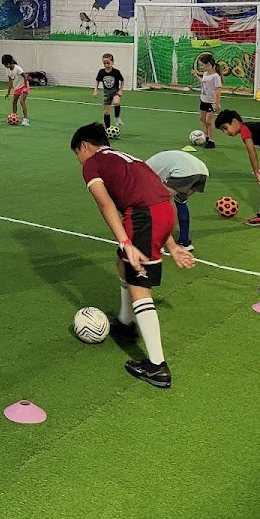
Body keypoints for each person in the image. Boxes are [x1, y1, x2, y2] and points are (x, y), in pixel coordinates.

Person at [71, 123, 194, 389]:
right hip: (161, 212)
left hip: (143, 216)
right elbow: (154, 196)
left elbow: (105, 204)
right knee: (122, 261)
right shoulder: (126, 158)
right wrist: (171, 245)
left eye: (77, 154)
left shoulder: (92, 163)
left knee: (140, 285)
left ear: (84, 146)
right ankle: (126, 323)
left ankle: (157, 367)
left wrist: (126, 241)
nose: (79, 160)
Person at [145, 150, 210, 251]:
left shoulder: (142, 173)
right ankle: (185, 242)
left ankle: (158, 242)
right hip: (202, 171)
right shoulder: (148, 165)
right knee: (180, 200)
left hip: (184, 171)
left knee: (159, 202)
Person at [193, 54, 222, 148]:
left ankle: (211, 140)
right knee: (202, 119)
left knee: (209, 121)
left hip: (211, 101)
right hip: (203, 100)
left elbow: (218, 90)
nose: (201, 67)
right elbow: (203, 83)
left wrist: (217, 103)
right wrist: (196, 76)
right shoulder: (205, 74)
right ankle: (206, 136)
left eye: (202, 65)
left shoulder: (216, 76)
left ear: (209, 64)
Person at [93, 53, 124, 133]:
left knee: (116, 102)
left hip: (115, 91)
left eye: (108, 63)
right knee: (107, 111)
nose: (106, 65)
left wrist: (120, 90)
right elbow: (97, 81)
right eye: (104, 63)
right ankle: (107, 129)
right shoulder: (101, 72)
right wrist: (95, 90)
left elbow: (122, 81)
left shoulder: (116, 72)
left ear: (112, 62)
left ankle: (117, 117)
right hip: (106, 93)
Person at [1, 54, 30, 126]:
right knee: (14, 102)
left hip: (23, 86)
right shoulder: (7, 70)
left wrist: (26, 87)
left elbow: (25, 77)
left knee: (22, 101)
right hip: (17, 87)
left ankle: (25, 119)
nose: (5, 66)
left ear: (9, 63)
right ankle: (14, 116)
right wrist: (8, 92)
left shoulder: (18, 68)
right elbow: (10, 81)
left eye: (5, 64)